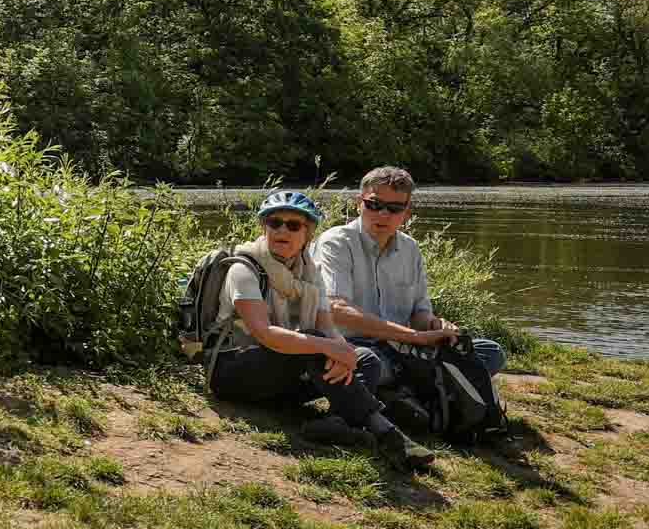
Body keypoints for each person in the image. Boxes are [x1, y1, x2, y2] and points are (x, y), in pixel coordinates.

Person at [205, 189, 434, 467]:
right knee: (315, 342)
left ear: (308, 234)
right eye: (274, 223)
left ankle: (335, 423)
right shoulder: (244, 269)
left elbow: (328, 328)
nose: (282, 230)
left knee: (365, 357)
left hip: (280, 375)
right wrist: (327, 347)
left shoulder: (310, 273)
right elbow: (264, 333)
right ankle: (387, 432)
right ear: (264, 227)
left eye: (293, 225)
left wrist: (344, 353)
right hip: (233, 373)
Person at [312, 166, 506, 431]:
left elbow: (419, 313)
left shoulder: (410, 248)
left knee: (490, 352)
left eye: (394, 208)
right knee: (367, 362)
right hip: (355, 346)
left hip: (403, 350)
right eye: (374, 204)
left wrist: (436, 325)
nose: (383, 214)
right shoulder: (336, 242)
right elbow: (336, 309)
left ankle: (401, 393)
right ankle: (411, 392)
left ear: (407, 212)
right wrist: (414, 337)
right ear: (358, 203)